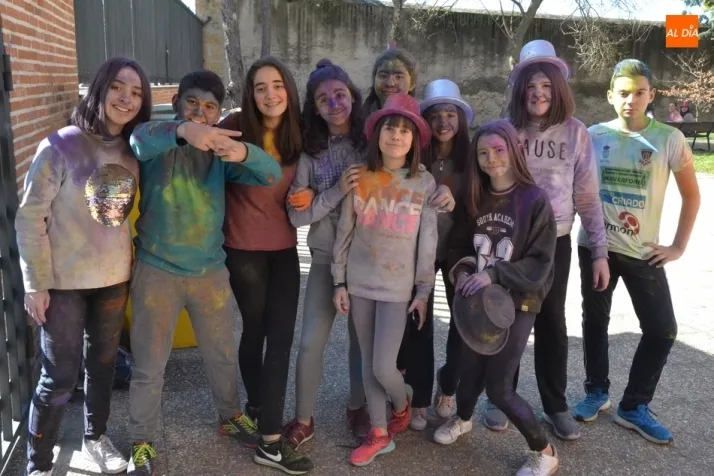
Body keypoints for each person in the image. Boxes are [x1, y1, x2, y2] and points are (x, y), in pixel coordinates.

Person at [125, 70, 282, 476]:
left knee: (222, 354)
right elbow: (138, 140)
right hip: (156, 270)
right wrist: (183, 132)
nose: (200, 112)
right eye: (192, 102)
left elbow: (270, 174)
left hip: (210, 272)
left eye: (210, 107)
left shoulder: (218, 155)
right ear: (176, 102)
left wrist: (242, 152)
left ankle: (229, 416)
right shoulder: (157, 138)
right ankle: (140, 441)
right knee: (149, 365)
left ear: (218, 113)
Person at [17, 57, 152, 476]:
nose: (126, 98)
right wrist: (35, 283)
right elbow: (30, 217)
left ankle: (96, 438)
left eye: (136, 92)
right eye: (118, 87)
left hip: (114, 281)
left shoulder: (134, 151)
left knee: (103, 366)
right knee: (58, 377)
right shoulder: (59, 146)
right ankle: (39, 463)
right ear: (99, 89)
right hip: (63, 285)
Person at [485, 39, 608, 440]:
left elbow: (587, 196)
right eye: (530, 85)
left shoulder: (576, 133)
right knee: (504, 315)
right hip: (510, 240)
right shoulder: (507, 129)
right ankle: (500, 395)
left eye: (546, 86)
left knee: (551, 320)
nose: (538, 93)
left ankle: (555, 405)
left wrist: (600, 251)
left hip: (554, 242)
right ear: (520, 89)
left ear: (558, 89)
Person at [573, 59, 701, 445]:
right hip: (595, 247)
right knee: (595, 321)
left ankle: (634, 406)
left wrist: (677, 246)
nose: (631, 99)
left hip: (643, 252)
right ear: (610, 96)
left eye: (639, 92)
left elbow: (691, 195)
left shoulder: (668, 138)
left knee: (662, 329)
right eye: (624, 93)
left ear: (651, 95)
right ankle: (596, 392)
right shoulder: (592, 135)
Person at [443, 119, 559, 476]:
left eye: (498, 150)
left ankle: (545, 451)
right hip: (480, 303)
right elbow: (459, 246)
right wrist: (464, 272)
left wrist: (493, 275)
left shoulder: (534, 199)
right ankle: (463, 419)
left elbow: (540, 262)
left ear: (514, 150)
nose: (491, 159)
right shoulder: (474, 196)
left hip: (519, 303)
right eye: (483, 153)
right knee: (468, 371)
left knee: (499, 388)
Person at [218, 57, 314, 474]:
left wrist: (312, 194)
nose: (270, 94)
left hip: (284, 249)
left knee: (280, 339)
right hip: (243, 250)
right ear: (250, 94)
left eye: (277, 85)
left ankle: (268, 432)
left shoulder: (300, 131)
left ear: (288, 89)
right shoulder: (234, 125)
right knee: (255, 331)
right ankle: (261, 413)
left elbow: (314, 177)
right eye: (260, 87)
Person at [332, 94, 437, 466]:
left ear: (414, 140)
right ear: (377, 134)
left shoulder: (423, 182)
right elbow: (345, 231)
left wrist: (423, 290)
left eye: (405, 130)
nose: (396, 136)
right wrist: (338, 282)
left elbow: (427, 242)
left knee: (382, 366)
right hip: (359, 284)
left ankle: (402, 401)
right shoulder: (360, 176)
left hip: (397, 289)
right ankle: (379, 432)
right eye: (390, 128)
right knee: (367, 362)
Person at [282, 59, 369, 449]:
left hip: (366, 261)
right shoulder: (310, 153)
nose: (334, 104)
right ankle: (303, 418)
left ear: (352, 95)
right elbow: (297, 216)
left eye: (339, 94)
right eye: (323, 99)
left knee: (361, 343)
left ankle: (358, 408)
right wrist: (333, 192)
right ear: (314, 108)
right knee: (310, 343)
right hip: (323, 258)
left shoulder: (370, 142)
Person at [401, 79, 470, 429]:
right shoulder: (414, 155)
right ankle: (419, 399)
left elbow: (481, 205)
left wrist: (459, 200)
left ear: (461, 118)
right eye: (435, 115)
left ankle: (449, 385)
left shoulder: (471, 158)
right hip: (420, 251)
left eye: (450, 114)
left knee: (462, 322)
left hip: (459, 250)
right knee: (420, 323)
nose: (443, 121)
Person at [362, 47, 418, 115]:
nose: (390, 83)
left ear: (412, 84)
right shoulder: (359, 118)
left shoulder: (421, 120)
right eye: (383, 76)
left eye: (398, 77)